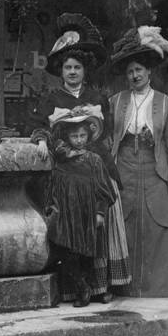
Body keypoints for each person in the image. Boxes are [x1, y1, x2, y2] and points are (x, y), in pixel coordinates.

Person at [28, 13, 131, 302]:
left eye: (77, 67)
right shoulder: (51, 99)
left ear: (85, 71)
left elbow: (107, 131)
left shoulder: (98, 98)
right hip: (67, 174)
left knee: (100, 225)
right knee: (71, 227)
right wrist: (40, 139)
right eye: (67, 67)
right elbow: (36, 126)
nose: (72, 72)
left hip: (96, 170)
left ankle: (102, 286)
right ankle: (76, 286)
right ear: (61, 71)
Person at [107, 26, 168, 298]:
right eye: (130, 71)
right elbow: (106, 137)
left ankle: (161, 288)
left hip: (156, 168)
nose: (135, 75)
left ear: (149, 72)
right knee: (123, 221)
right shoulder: (116, 102)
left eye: (139, 70)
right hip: (124, 167)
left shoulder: (165, 104)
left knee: (159, 223)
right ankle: (124, 288)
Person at [44, 107, 117, 307]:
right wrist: (51, 207)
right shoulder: (61, 161)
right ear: (67, 136)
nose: (79, 140)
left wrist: (100, 212)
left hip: (86, 214)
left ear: (89, 135)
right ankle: (80, 286)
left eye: (83, 135)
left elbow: (104, 190)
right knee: (66, 250)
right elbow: (53, 186)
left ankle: (86, 290)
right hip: (66, 214)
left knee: (85, 253)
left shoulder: (93, 160)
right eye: (74, 136)